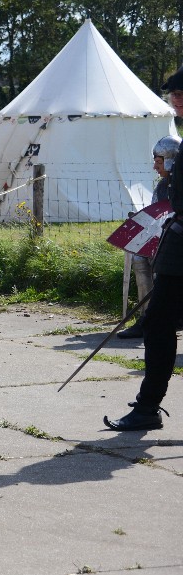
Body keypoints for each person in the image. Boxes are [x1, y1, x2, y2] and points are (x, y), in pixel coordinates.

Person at [105, 65, 183, 431]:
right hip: (177, 245)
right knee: (157, 325)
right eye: (174, 95)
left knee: (159, 325)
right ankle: (148, 407)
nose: (176, 101)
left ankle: (148, 407)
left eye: (182, 94)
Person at [117, 135, 179, 339]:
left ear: (171, 161)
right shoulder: (162, 187)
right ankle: (146, 317)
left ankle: (169, 314)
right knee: (140, 258)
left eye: (159, 162)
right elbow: (157, 215)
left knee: (160, 262)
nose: (155, 167)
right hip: (165, 238)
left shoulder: (180, 185)